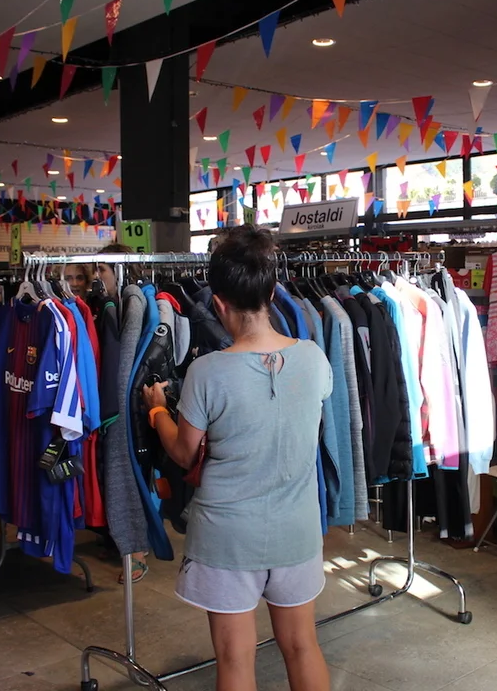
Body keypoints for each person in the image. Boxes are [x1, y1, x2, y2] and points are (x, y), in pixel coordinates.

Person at [143, 225, 332, 691]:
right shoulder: (314, 358)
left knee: (234, 658)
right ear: (271, 292)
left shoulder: (207, 372)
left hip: (227, 538)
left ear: (219, 303)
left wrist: (157, 412)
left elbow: (184, 452)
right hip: (297, 530)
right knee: (302, 646)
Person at [95, 242, 151, 584]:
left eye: (102, 269)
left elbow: (125, 366)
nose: (96, 276)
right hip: (121, 403)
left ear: (118, 269)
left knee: (122, 471)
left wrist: (112, 413)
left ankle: (136, 551)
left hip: (125, 406)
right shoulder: (115, 303)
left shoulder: (133, 302)